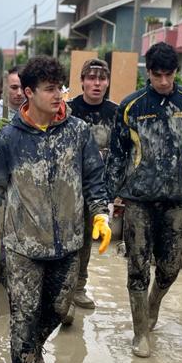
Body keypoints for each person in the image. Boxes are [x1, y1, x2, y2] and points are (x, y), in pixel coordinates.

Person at [0, 57, 111, 363]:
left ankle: (30, 351)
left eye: (60, 88)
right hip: (22, 245)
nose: (58, 95)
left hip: (68, 243)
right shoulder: (9, 138)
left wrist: (100, 214)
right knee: (24, 313)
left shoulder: (78, 133)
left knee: (57, 309)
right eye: (49, 89)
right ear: (29, 92)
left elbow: (95, 180)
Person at [107, 42, 182, 359]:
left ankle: (153, 303)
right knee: (138, 268)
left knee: (169, 268)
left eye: (169, 75)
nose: (164, 82)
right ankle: (141, 332)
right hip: (138, 200)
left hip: (177, 200)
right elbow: (116, 156)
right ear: (148, 73)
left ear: (176, 72)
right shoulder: (131, 107)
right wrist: (106, 198)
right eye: (158, 75)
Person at [67, 58, 117, 311]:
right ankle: (60, 287)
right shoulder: (68, 109)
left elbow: (121, 154)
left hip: (97, 189)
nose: (97, 84)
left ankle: (79, 288)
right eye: (91, 78)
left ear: (107, 82)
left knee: (87, 239)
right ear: (83, 81)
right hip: (68, 187)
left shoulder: (115, 113)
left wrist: (113, 194)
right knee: (65, 237)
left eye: (102, 79)